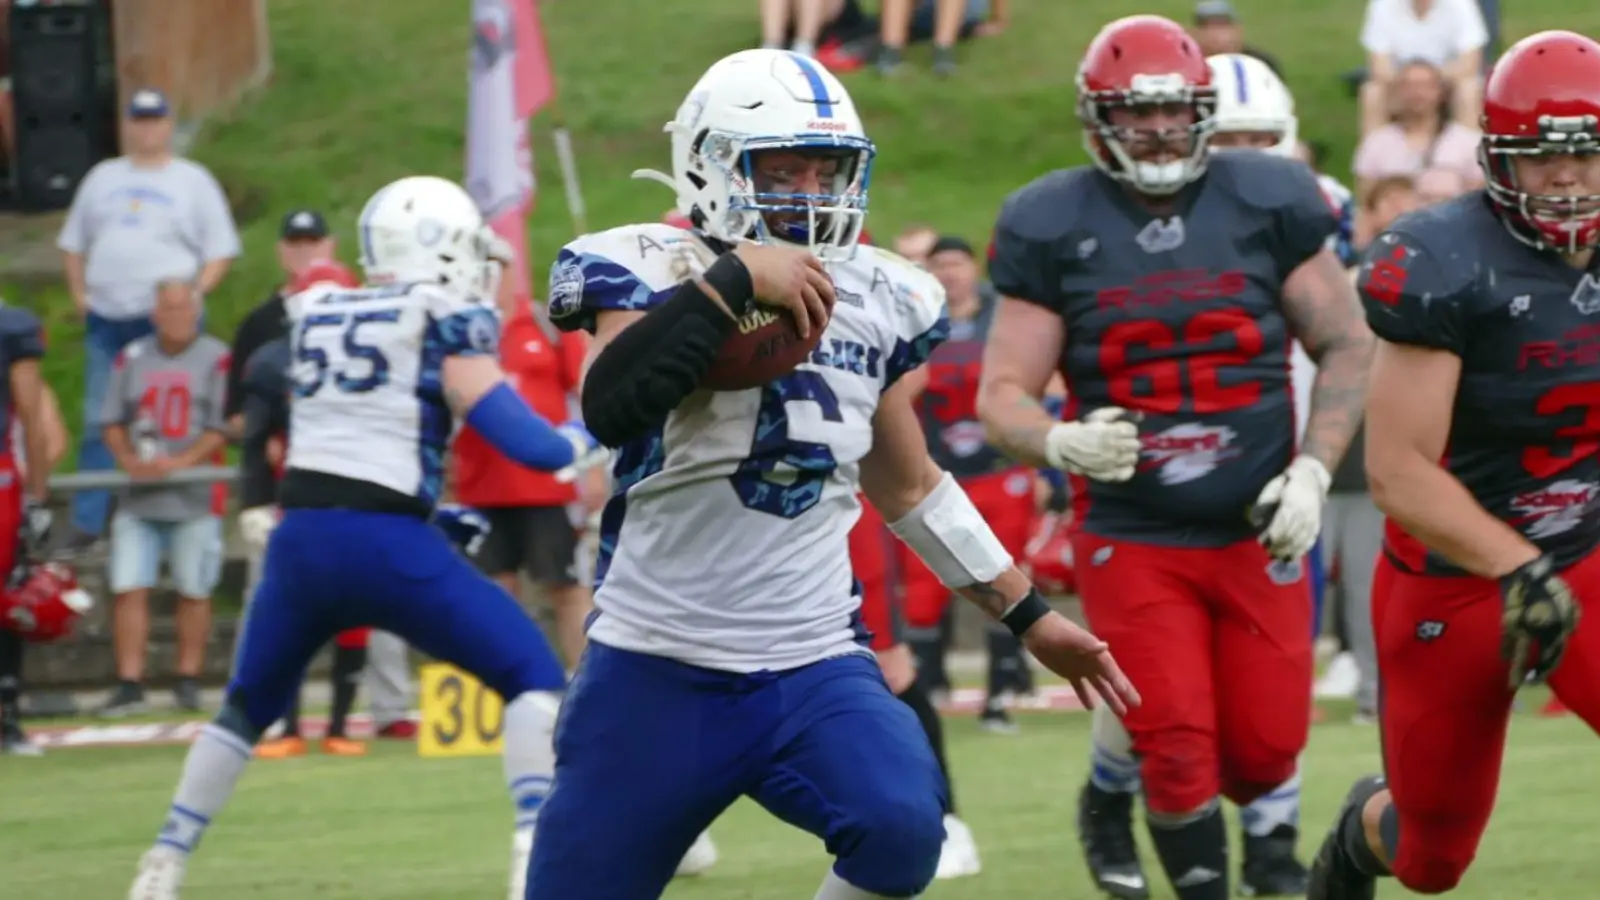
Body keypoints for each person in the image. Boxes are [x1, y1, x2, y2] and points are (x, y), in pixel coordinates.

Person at [528, 48, 1138, 900]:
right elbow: (612, 402)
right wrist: (733, 280)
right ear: (710, 162)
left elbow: (910, 484)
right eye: (783, 168)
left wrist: (1030, 616)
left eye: (828, 169)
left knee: (901, 830)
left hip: (811, 663)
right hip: (653, 665)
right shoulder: (644, 264)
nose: (811, 191)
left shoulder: (877, 292)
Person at [123, 175, 610, 900]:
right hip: (386, 545)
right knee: (531, 677)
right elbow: (532, 448)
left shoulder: (319, 305)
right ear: (439, 247)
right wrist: (598, 429)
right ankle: (532, 856)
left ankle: (163, 861)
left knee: (245, 707)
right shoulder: (440, 310)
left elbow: (272, 380)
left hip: (302, 541)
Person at [977, 17, 1372, 900]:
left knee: (1267, 752)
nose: (1157, 130)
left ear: (1204, 109)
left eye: (1173, 110)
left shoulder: (1272, 196)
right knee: (1178, 741)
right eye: (1136, 111)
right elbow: (1000, 391)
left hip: (1255, 522)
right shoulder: (1051, 217)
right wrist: (1054, 437)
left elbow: (1348, 344)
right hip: (1135, 527)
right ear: (1096, 119)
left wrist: (1312, 468)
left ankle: (1115, 791)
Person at [1307, 31, 1600, 900]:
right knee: (1432, 861)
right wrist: (1520, 567)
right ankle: (1360, 834)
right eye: (1541, 159)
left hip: (1585, 549)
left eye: (1586, 152)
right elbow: (1399, 472)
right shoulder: (1443, 259)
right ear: (1495, 159)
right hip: (1456, 577)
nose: (1568, 177)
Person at [56, 88, 240, 546]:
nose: (147, 128)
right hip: (107, 317)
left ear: (168, 125)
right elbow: (73, 242)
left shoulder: (192, 180)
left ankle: (185, 513)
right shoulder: (102, 177)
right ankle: (89, 520)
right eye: (138, 119)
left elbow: (220, 251)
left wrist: (191, 296)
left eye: (155, 119)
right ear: (127, 125)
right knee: (102, 416)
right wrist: (80, 293)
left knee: (180, 415)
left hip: (169, 322)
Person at [237, 260, 375, 760]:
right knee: (290, 612)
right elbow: (254, 440)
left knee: (355, 613)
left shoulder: (378, 359)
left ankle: (339, 725)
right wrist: (253, 502)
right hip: (295, 502)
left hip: (360, 497)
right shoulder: (274, 362)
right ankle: (288, 724)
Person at [903, 234, 1037, 733]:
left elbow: (1037, 384)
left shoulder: (1001, 318)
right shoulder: (917, 317)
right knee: (922, 590)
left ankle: (1000, 695)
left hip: (1000, 469)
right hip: (939, 473)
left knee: (1005, 575)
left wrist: (1043, 466)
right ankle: (928, 689)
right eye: (939, 265)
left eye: (956, 264)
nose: (949, 274)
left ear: (973, 267)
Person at [454, 242, 603, 670]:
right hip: (481, 486)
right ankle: (504, 681)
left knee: (567, 586)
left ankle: (583, 677)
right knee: (492, 592)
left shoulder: (541, 322)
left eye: (497, 268)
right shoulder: (459, 327)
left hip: (547, 488)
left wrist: (592, 470)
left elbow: (585, 391)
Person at [97, 280, 231, 717]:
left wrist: (187, 460)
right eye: (166, 308)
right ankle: (130, 681)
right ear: (154, 313)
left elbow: (224, 424)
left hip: (194, 493)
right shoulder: (132, 357)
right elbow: (112, 420)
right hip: (140, 494)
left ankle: (188, 678)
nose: (174, 316)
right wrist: (127, 458)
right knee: (129, 586)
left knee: (195, 586)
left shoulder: (217, 357)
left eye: (181, 307)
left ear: (196, 310)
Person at [0, 301, 52, 755]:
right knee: (9, 597)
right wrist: (37, 496)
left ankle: (9, 714)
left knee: (10, 597)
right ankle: (8, 716)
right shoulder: (12, 325)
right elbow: (31, 415)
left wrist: (34, 494)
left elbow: (33, 416)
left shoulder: (12, 326)